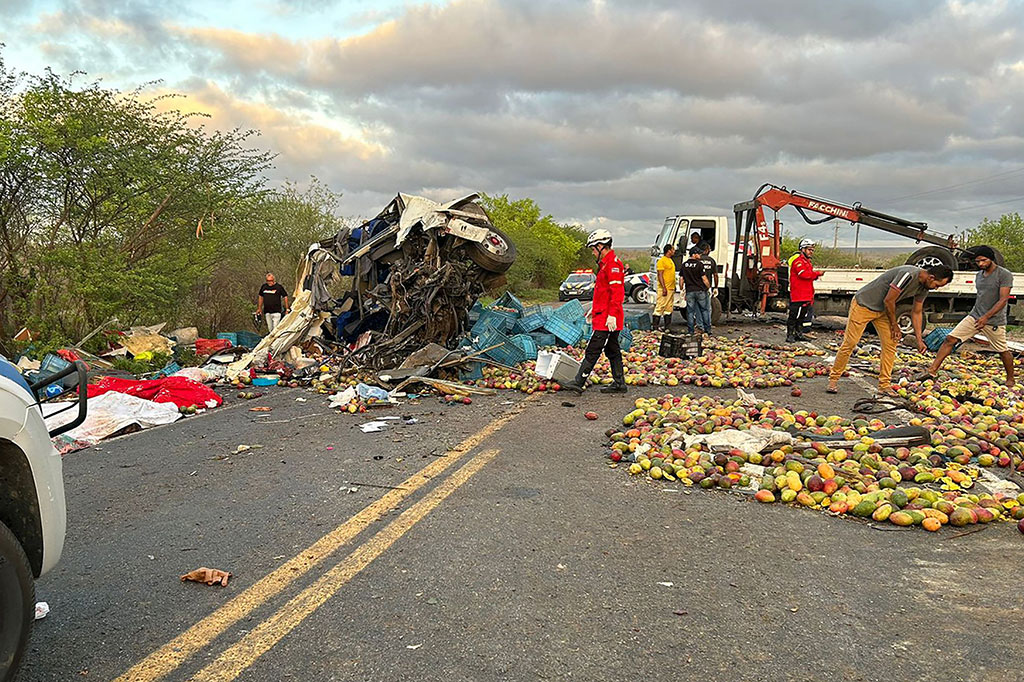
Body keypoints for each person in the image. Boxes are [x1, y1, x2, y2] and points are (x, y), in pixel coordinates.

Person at [827, 263, 953, 395]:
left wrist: (919, 340)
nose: (936, 288)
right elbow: (889, 300)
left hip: (883, 311)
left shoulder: (924, 288)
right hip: (863, 305)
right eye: (937, 285)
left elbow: (916, 313)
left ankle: (884, 385)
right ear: (931, 277)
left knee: (891, 343)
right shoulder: (908, 275)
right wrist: (894, 325)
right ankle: (833, 379)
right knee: (851, 342)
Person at [917, 246, 1015, 387]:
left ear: (991, 259)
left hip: (994, 320)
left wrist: (986, 317)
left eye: (983, 260)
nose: (980, 264)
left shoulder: (1004, 275)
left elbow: (1003, 300)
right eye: (978, 261)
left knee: (1002, 350)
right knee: (950, 339)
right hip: (975, 316)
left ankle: (1010, 379)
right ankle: (932, 371)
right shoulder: (979, 275)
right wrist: (979, 316)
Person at [565, 229, 627, 394]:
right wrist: (594, 308)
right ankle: (620, 383)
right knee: (612, 350)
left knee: (593, 350)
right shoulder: (605, 264)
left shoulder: (612, 265)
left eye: (593, 249)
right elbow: (604, 293)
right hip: (603, 315)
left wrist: (612, 314)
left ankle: (579, 382)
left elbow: (617, 292)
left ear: (601, 246)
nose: (593, 253)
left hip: (608, 319)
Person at [787, 238, 823, 342]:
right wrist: (817, 274)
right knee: (793, 316)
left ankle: (798, 334)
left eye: (812, 250)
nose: (811, 252)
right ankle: (790, 335)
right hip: (798, 295)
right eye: (809, 250)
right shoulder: (798, 261)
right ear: (803, 249)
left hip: (806, 294)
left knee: (802, 316)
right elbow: (804, 274)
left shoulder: (807, 262)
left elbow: (808, 276)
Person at [681, 247, 712, 335]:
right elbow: (704, 279)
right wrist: (708, 287)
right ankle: (707, 330)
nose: (700, 255)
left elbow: (681, 279)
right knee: (704, 310)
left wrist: (681, 289)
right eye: (699, 254)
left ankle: (690, 331)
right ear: (694, 254)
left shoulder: (684, 265)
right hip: (700, 291)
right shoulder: (699, 265)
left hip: (689, 291)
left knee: (690, 312)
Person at [653, 244, 676, 331]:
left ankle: (667, 327)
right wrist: (663, 288)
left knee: (669, 308)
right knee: (660, 306)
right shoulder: (662, 261)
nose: (674, 251)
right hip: (664, 288)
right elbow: (660, 275)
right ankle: (655, 327)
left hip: (671, 288)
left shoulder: (670, 260)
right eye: (673, 249)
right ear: (669, 250)